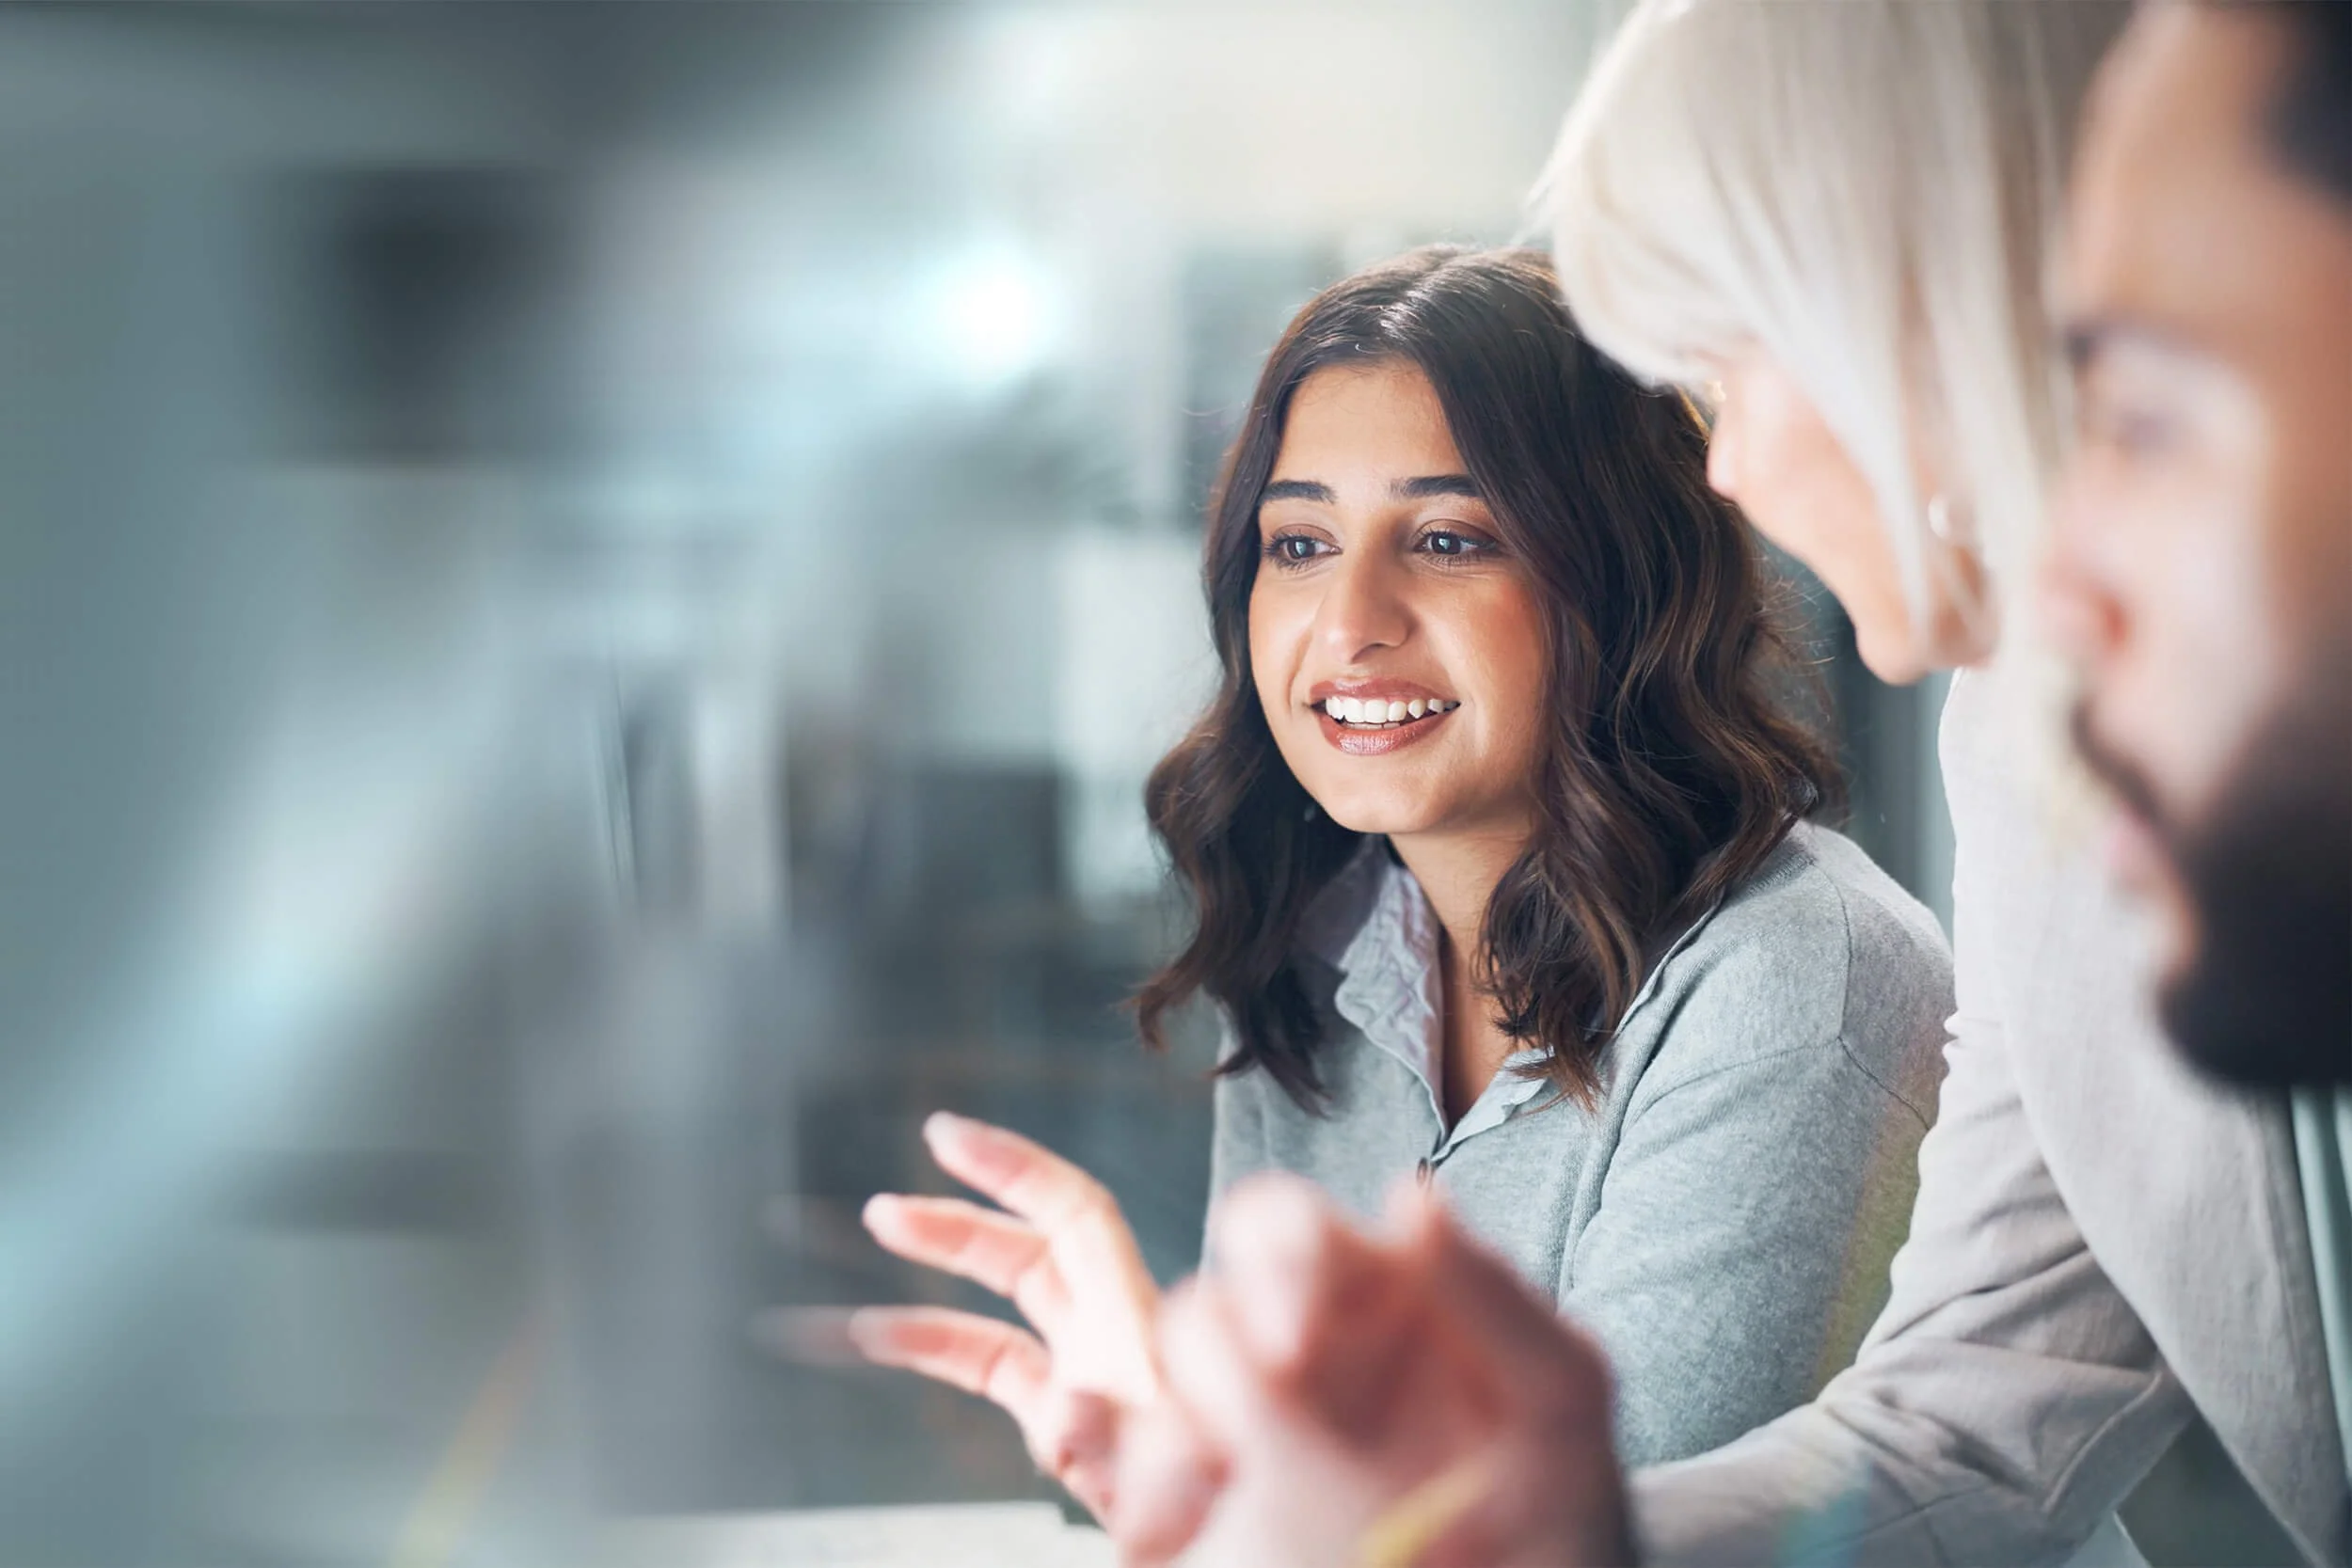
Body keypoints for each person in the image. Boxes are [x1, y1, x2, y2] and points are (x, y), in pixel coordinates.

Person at [1104, 3, 2352, 1565]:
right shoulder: (2028, 746)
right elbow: (1978, 1411)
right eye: (1296, 542)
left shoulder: (1808, 962)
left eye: (2143, 405)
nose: (1728, 471)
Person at [837, 246, 1953, 1522]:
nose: (1350, 618)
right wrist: (1185, 1457)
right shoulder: (1320, 941)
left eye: (1448, 537)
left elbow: (1572, 1545)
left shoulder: (1801, 977)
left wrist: (1253, 1501)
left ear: (1619, 581)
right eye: (1300, 540)